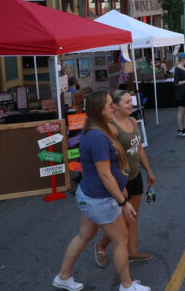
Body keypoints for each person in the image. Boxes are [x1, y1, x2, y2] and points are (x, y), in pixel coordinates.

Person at [54, 91, 150, 291]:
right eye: (109, 104)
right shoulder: (97, 136)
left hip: (90, 196)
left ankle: (63, 277)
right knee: (121, 239)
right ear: (100, 110)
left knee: (84, 236)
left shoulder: (99, 129)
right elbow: (105, 175)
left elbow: (113, 171)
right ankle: (126, 285)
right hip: (99, 199)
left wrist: (123, 194)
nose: (113, 106)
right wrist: (123, 203)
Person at [95, 90, 156, 266]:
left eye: (132, 101)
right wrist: (117, 186)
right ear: (115, 105)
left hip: (135, 176)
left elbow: (140, 149)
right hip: (120, 181)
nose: (132, 104)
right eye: (127, 102)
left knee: (133, 216)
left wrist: (149, 171)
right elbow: (107, 160)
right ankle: (101, 245)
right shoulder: (111, 128)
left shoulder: (133, 121)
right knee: (120, 221)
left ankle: (132, 252)